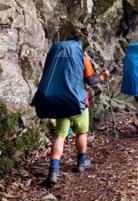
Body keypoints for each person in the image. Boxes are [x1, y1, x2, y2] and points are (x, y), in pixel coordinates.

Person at [43, 39, 109, 186]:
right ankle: (81, 162)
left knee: (60, 135)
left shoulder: (54, 56)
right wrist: (103, 76)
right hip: (77, 102)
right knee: (81, 132)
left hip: (59, 101)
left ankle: (53, 171)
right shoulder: (82, 57)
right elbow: (91, 81)